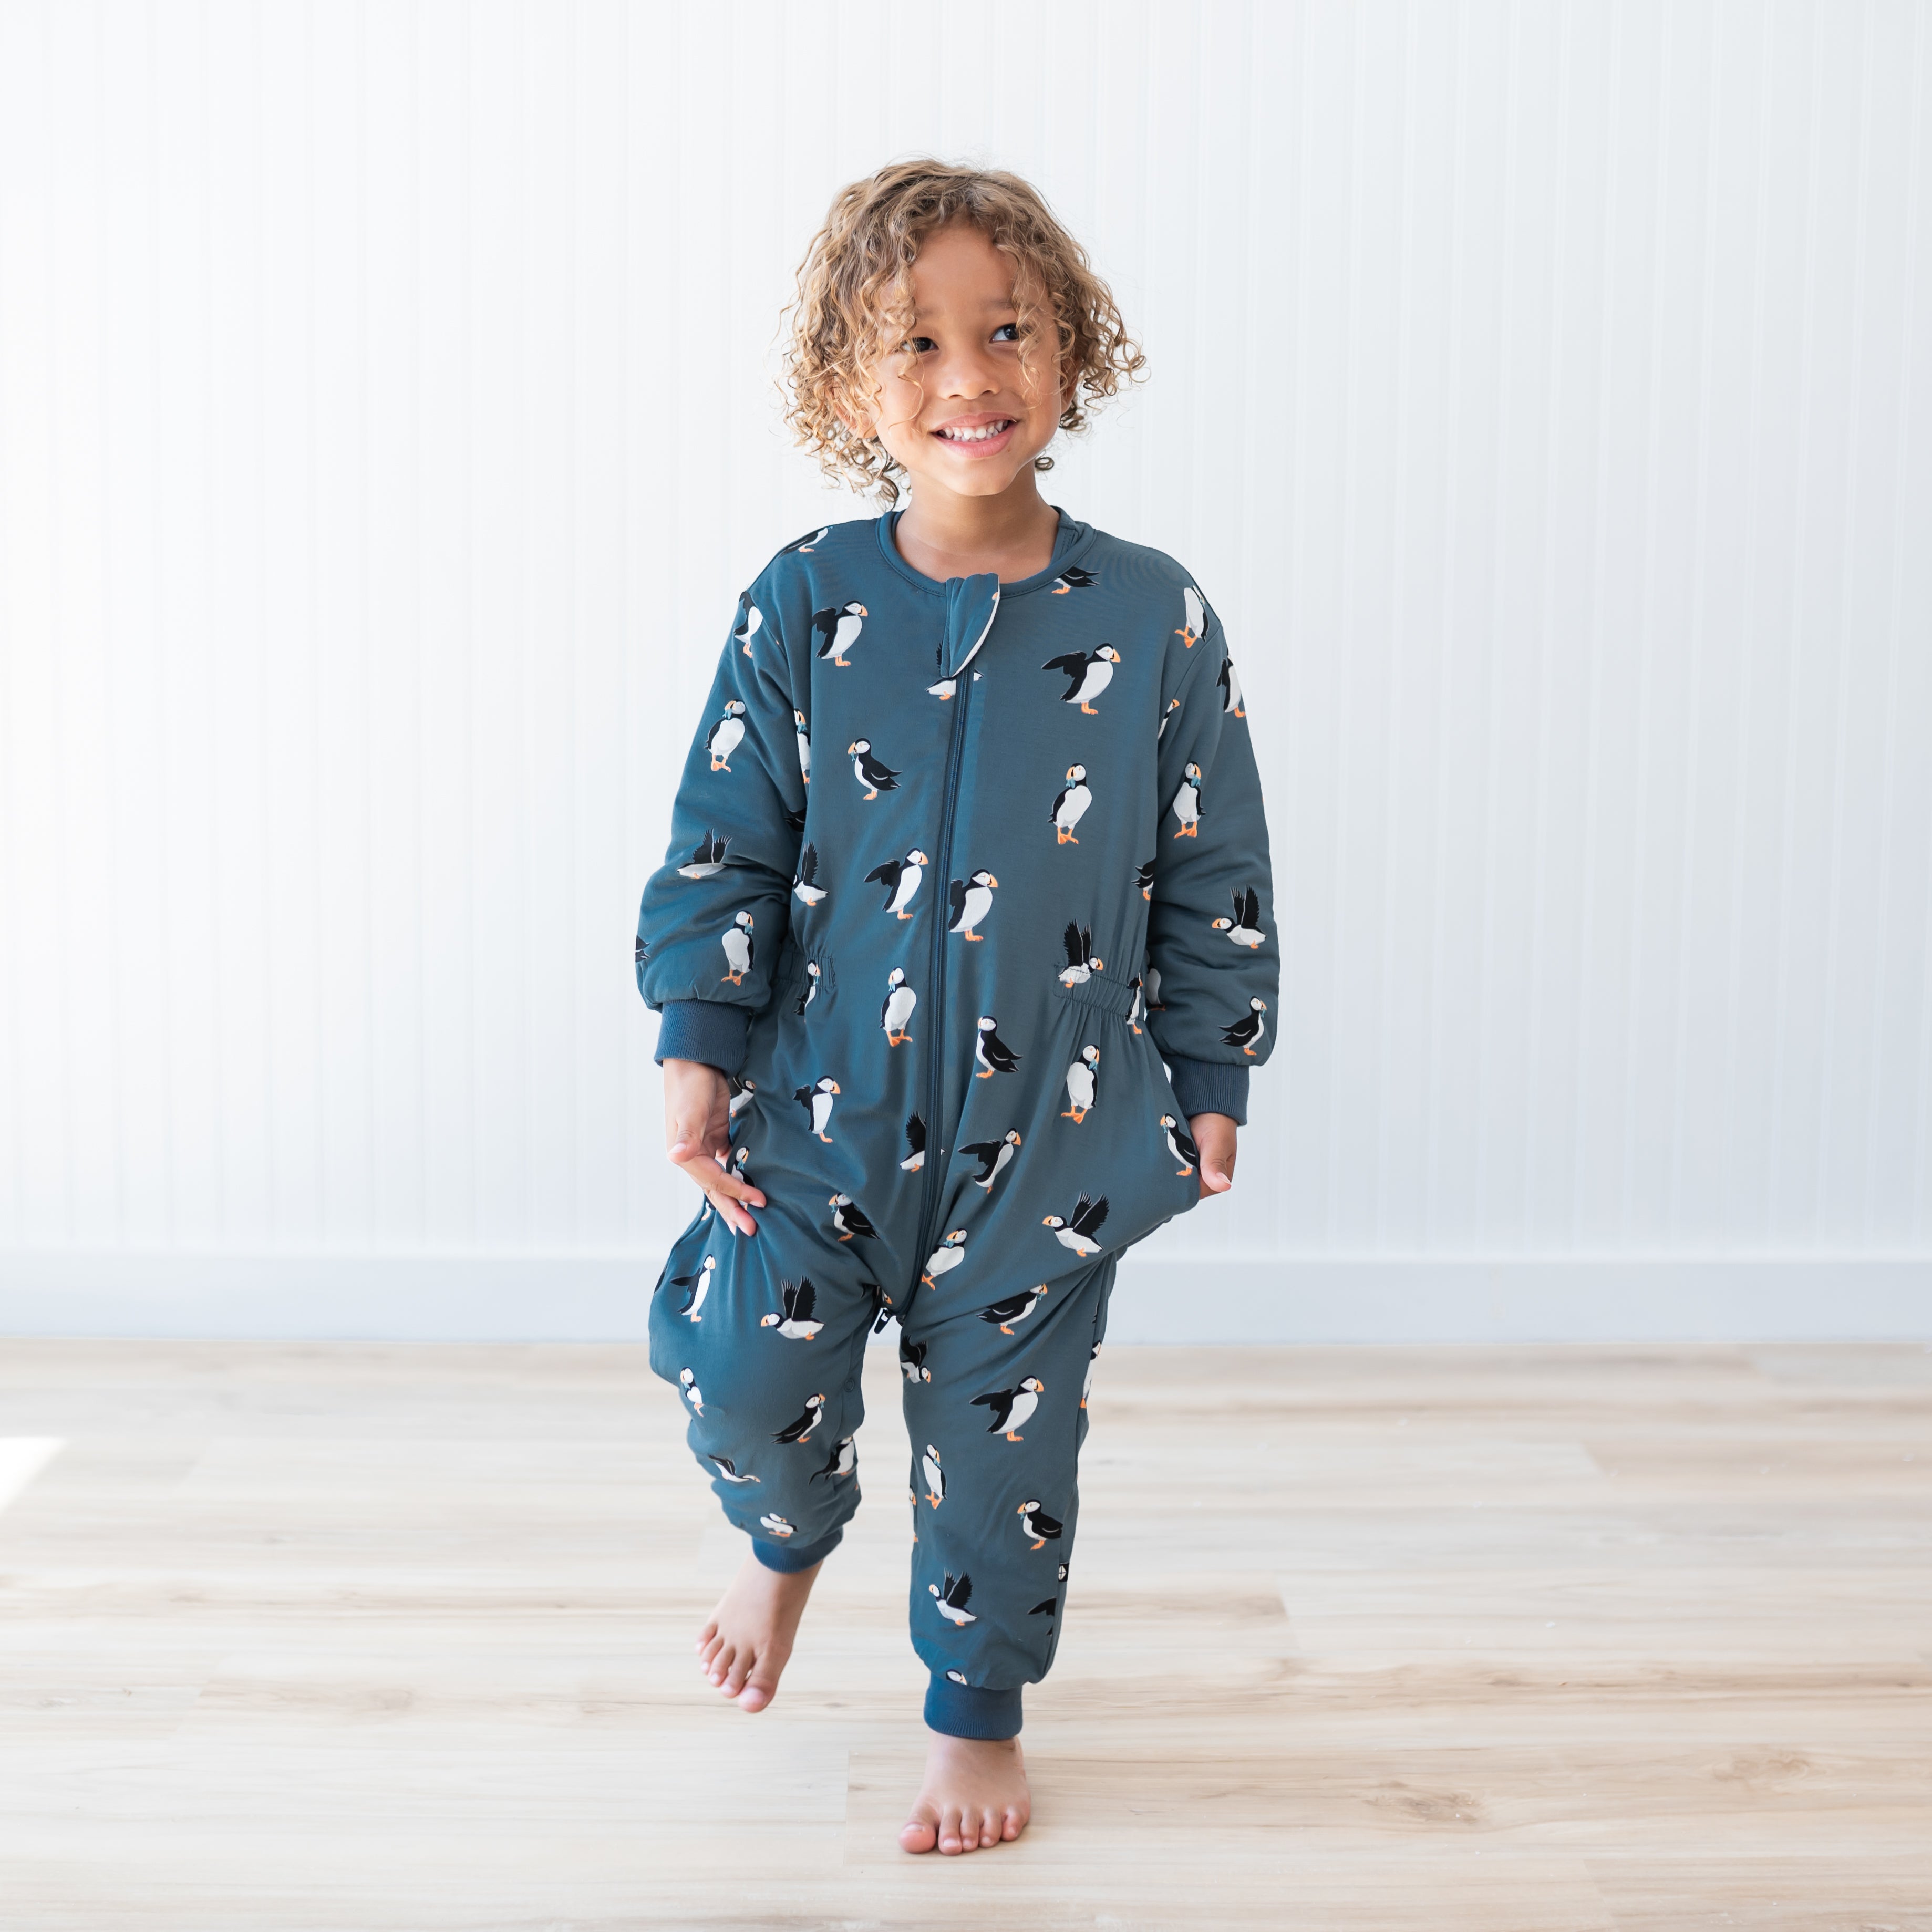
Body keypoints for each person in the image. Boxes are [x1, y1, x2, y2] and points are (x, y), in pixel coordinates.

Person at [634, 159, 1277, 1856]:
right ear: (850, 383)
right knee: (739, 1375)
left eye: (1008, 331)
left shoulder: (1151, 617)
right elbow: (723, 842)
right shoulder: (807, 602)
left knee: (1005, 1461)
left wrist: (1214, 1070)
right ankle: (787, 1542)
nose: (968, 376)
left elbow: (1214, 864)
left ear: (1072, 355)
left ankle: (975, 1713)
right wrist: (698, 1047)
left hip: (1047, 1136)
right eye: (915, 341)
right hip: (818, 1114)